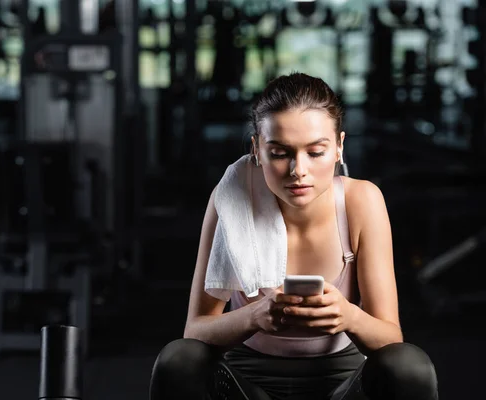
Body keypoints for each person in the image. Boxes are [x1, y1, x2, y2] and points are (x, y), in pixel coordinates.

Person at [149, 73, 438, 400]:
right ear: (257, 149)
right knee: (178, 359)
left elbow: (390, 336)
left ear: (339, 146)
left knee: (409, 365)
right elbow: (195, 330)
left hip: (340, 382)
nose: (298, 170)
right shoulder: (231, 199)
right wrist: (256, 315)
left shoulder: (362, 201)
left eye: (315, 152)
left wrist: (348, 315)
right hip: (247, 381)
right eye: (280, 152)